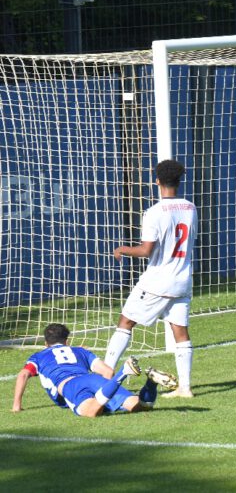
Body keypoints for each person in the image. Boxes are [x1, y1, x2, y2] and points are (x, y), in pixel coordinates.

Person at [105, 159, 197, 398]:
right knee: (181, 332)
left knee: (125, 322)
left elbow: (146, 251)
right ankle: (185, 388)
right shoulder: (190, 207)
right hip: (183, 279)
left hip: (158, 280)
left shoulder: (154, 212)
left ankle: (104, 376)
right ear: (179, 180)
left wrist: (122, 249)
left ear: (157, 181)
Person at [11, 323, 175, 417]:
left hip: (69, 386)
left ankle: (124, 372)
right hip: (93, 379)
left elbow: (24, 374)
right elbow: (107, 372)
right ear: (66, 341)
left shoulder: (38, 356)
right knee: (140, 406)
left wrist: (16, 406)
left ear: (46, 343)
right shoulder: (80, 351)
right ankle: (151, 383)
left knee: (90, 412)